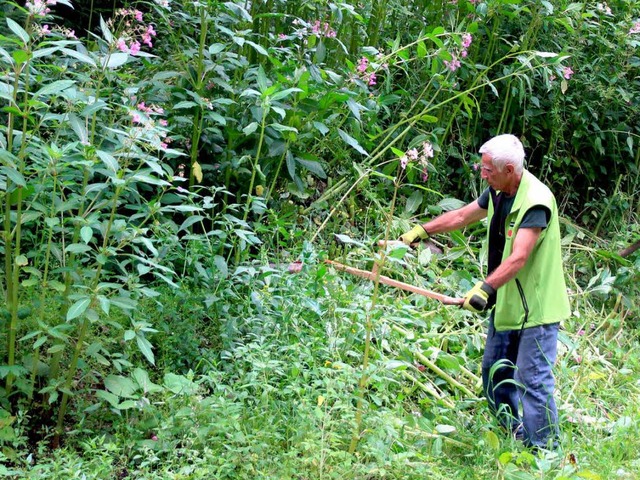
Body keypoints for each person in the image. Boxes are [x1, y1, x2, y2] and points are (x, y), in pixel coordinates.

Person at [399, 134, 570, 449]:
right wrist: (421, 231)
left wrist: (485, 287)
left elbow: (519, 257)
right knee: (494, 372)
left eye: (488, 169)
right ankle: (512, 436)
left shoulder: (536, 201)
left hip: (537, 308)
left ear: (509, 169)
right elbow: (462, 216)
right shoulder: (497, 190)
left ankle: (545, 452)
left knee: (532, 381)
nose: (482, 173)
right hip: (508, 301)